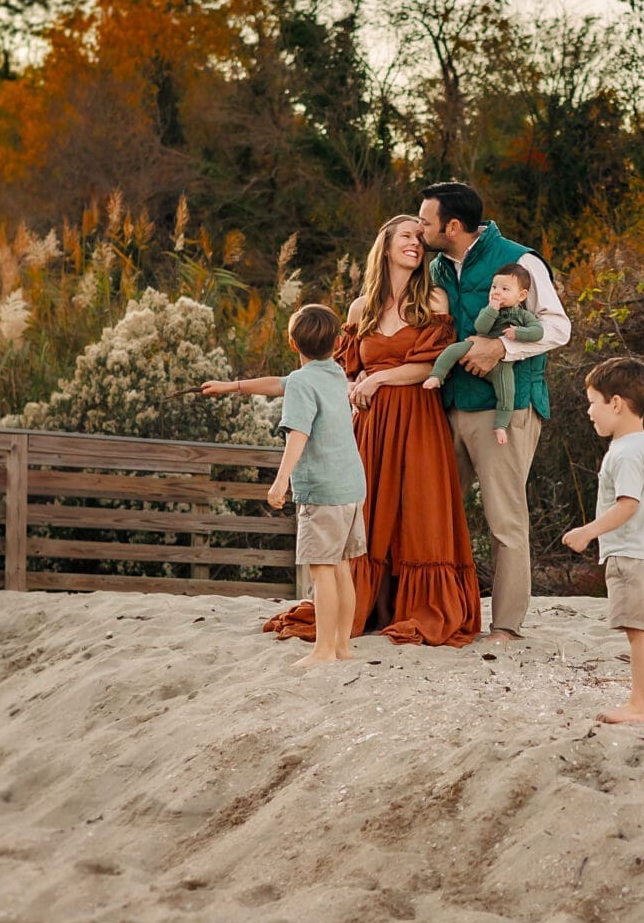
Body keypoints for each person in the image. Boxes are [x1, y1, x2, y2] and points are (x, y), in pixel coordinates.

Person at [236, 216, 483, 648]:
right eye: (406, 236)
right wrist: (357, 386)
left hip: (419, 420)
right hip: (370, 424)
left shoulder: (435, 300)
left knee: (419, 512)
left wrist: (379, 379)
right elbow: (341, 372)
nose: (415, 244)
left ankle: (415, 608)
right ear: (384, 245)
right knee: (372, 515)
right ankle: (361, 607)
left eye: (420, 240)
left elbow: (432, 367)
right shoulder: (359, 308)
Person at [418, 182, 570, 642]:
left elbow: (558, 328)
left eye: (426, 221)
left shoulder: (519, 260)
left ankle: (506, 626)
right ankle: (444, 615)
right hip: (448, 407)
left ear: (454, 226)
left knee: (504, 519)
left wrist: (500, 348)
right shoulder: (438, 267)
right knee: (439, 515)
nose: (420, 228)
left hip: (507, 408)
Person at [200, 305, 366, 668]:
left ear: (293, 343)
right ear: (338, 342)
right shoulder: (334, 373)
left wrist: (279, 484)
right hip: (351, 488)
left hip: (322, 491)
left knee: (321, 571)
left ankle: (323, 650)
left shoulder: (305, 383)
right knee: (341, 568)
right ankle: (341, 646)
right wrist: (232, 386)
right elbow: (280, 383)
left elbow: (298, 435)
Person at [562, 357, 644, 723]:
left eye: (593, 402)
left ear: (617, 403)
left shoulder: (624, 452)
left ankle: (639, 705)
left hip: (632, 556)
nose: (589, 411)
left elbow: (627, 505)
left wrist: (587, 532)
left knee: (639, 635)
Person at [423, 263, 545, 445]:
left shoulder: (523, 316)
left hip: (503, 365)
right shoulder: (490, 310)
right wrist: (491, 309)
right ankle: (436, 375)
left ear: (521, 295)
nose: (496, 292)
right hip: (476, 344)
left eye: (505, 289)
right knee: (453, 349)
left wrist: (518, 333)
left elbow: (538, 332)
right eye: (494, 287)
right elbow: (481, 327)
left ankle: (501, 426)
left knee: (507, 393)